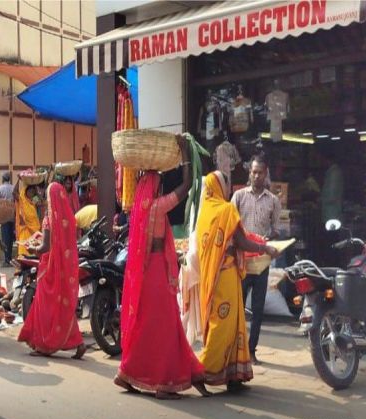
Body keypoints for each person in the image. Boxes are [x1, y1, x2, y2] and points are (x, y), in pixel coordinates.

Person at [114, 137, 211, 399]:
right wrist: (185, 154)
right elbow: (187, 185)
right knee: (165, 326)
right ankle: (162, 381)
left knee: (148, 325)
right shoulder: (158, 207)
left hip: (145, 274)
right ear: (155, 189)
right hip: (157, 270)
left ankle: (128, 372)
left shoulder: (139, 209)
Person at [197, 170, 279, 392]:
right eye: (226, 183)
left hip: (217, 276)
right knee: (222, 325)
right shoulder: (225, 210)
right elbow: (241, 241)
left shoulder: (205, 212)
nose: (228, 186)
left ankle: (234, 376)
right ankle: (201, 371)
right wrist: (265, 248)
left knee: (234, 323)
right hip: (224, 276)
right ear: (219, 187)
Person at [18, 182, 88, 359]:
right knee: (62, 307)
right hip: (64, 267)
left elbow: (45, 247)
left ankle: (44, 343)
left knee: (46, 307)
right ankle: (78, 343)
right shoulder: (69, 217)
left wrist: (32, 248)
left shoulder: (49, 219)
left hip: (49, 269)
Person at [231, 155, 281, 364]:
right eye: (254, 171)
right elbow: (230, 227)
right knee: (237, 307)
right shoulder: (238, 197)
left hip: (261, 262)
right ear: (249, 173)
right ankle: (236, 349)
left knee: (258, 310)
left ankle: (251, 351)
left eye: (260, 172)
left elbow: (276, 230)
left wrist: (270, 239)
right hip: (241, 260)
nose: (257, 175)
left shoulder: (273, 201)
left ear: (265, 173)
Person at [15, 180, 42, 257]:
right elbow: (14, 192)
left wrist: (36, 191)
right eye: (30, 191)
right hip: (25, 231)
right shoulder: (21, 200)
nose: (31, 193)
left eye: (33, 192)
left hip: (34, 232)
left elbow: (42, 202)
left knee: (34, 256)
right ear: (26, 191)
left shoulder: (33, 201)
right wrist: (19, 180)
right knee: (23, 255)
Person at [0, 172, 15, 265]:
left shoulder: (0, 188)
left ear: (3, 179)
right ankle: (10, 258)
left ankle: (7, 259)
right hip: (12, 216)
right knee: (11, 238)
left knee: (5, 238)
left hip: (4, 216)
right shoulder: (13, 188)